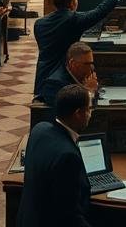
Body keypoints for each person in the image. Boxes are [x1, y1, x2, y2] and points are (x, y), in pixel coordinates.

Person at [33, 0, 126, 97]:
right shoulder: (73, 19)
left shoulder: (39, 23)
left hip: (42, 79)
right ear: (72, 3)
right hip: (60, 82)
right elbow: (100, 11)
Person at [17, 84, 93, 227]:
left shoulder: (40, 129)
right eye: (88, 109)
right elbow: (69, 216)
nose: (90, 114)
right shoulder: (68, 157)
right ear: (78, 113)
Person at [40, 42, 99, 106]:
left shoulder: (81, 74)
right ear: (73, 63)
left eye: (91, 63)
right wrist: (89, 91)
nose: (91, 68)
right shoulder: (54, 84)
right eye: (87, 64)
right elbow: (71, 109)